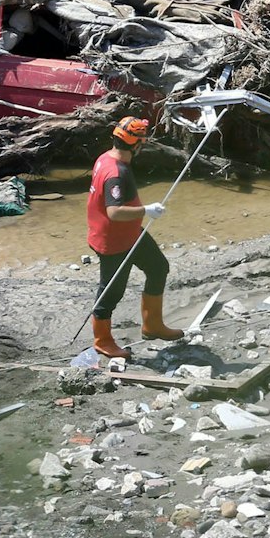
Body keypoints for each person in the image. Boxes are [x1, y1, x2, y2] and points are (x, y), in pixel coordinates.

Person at [85, 116, 183, 359]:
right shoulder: (116, 173)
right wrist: (146, 210)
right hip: (113, 241)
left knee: (158, 267)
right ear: (137, 144)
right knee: (111, 292)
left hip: (130, 233)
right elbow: (114, 212)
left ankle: (153, 326)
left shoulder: (106, 157)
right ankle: (103, 340)